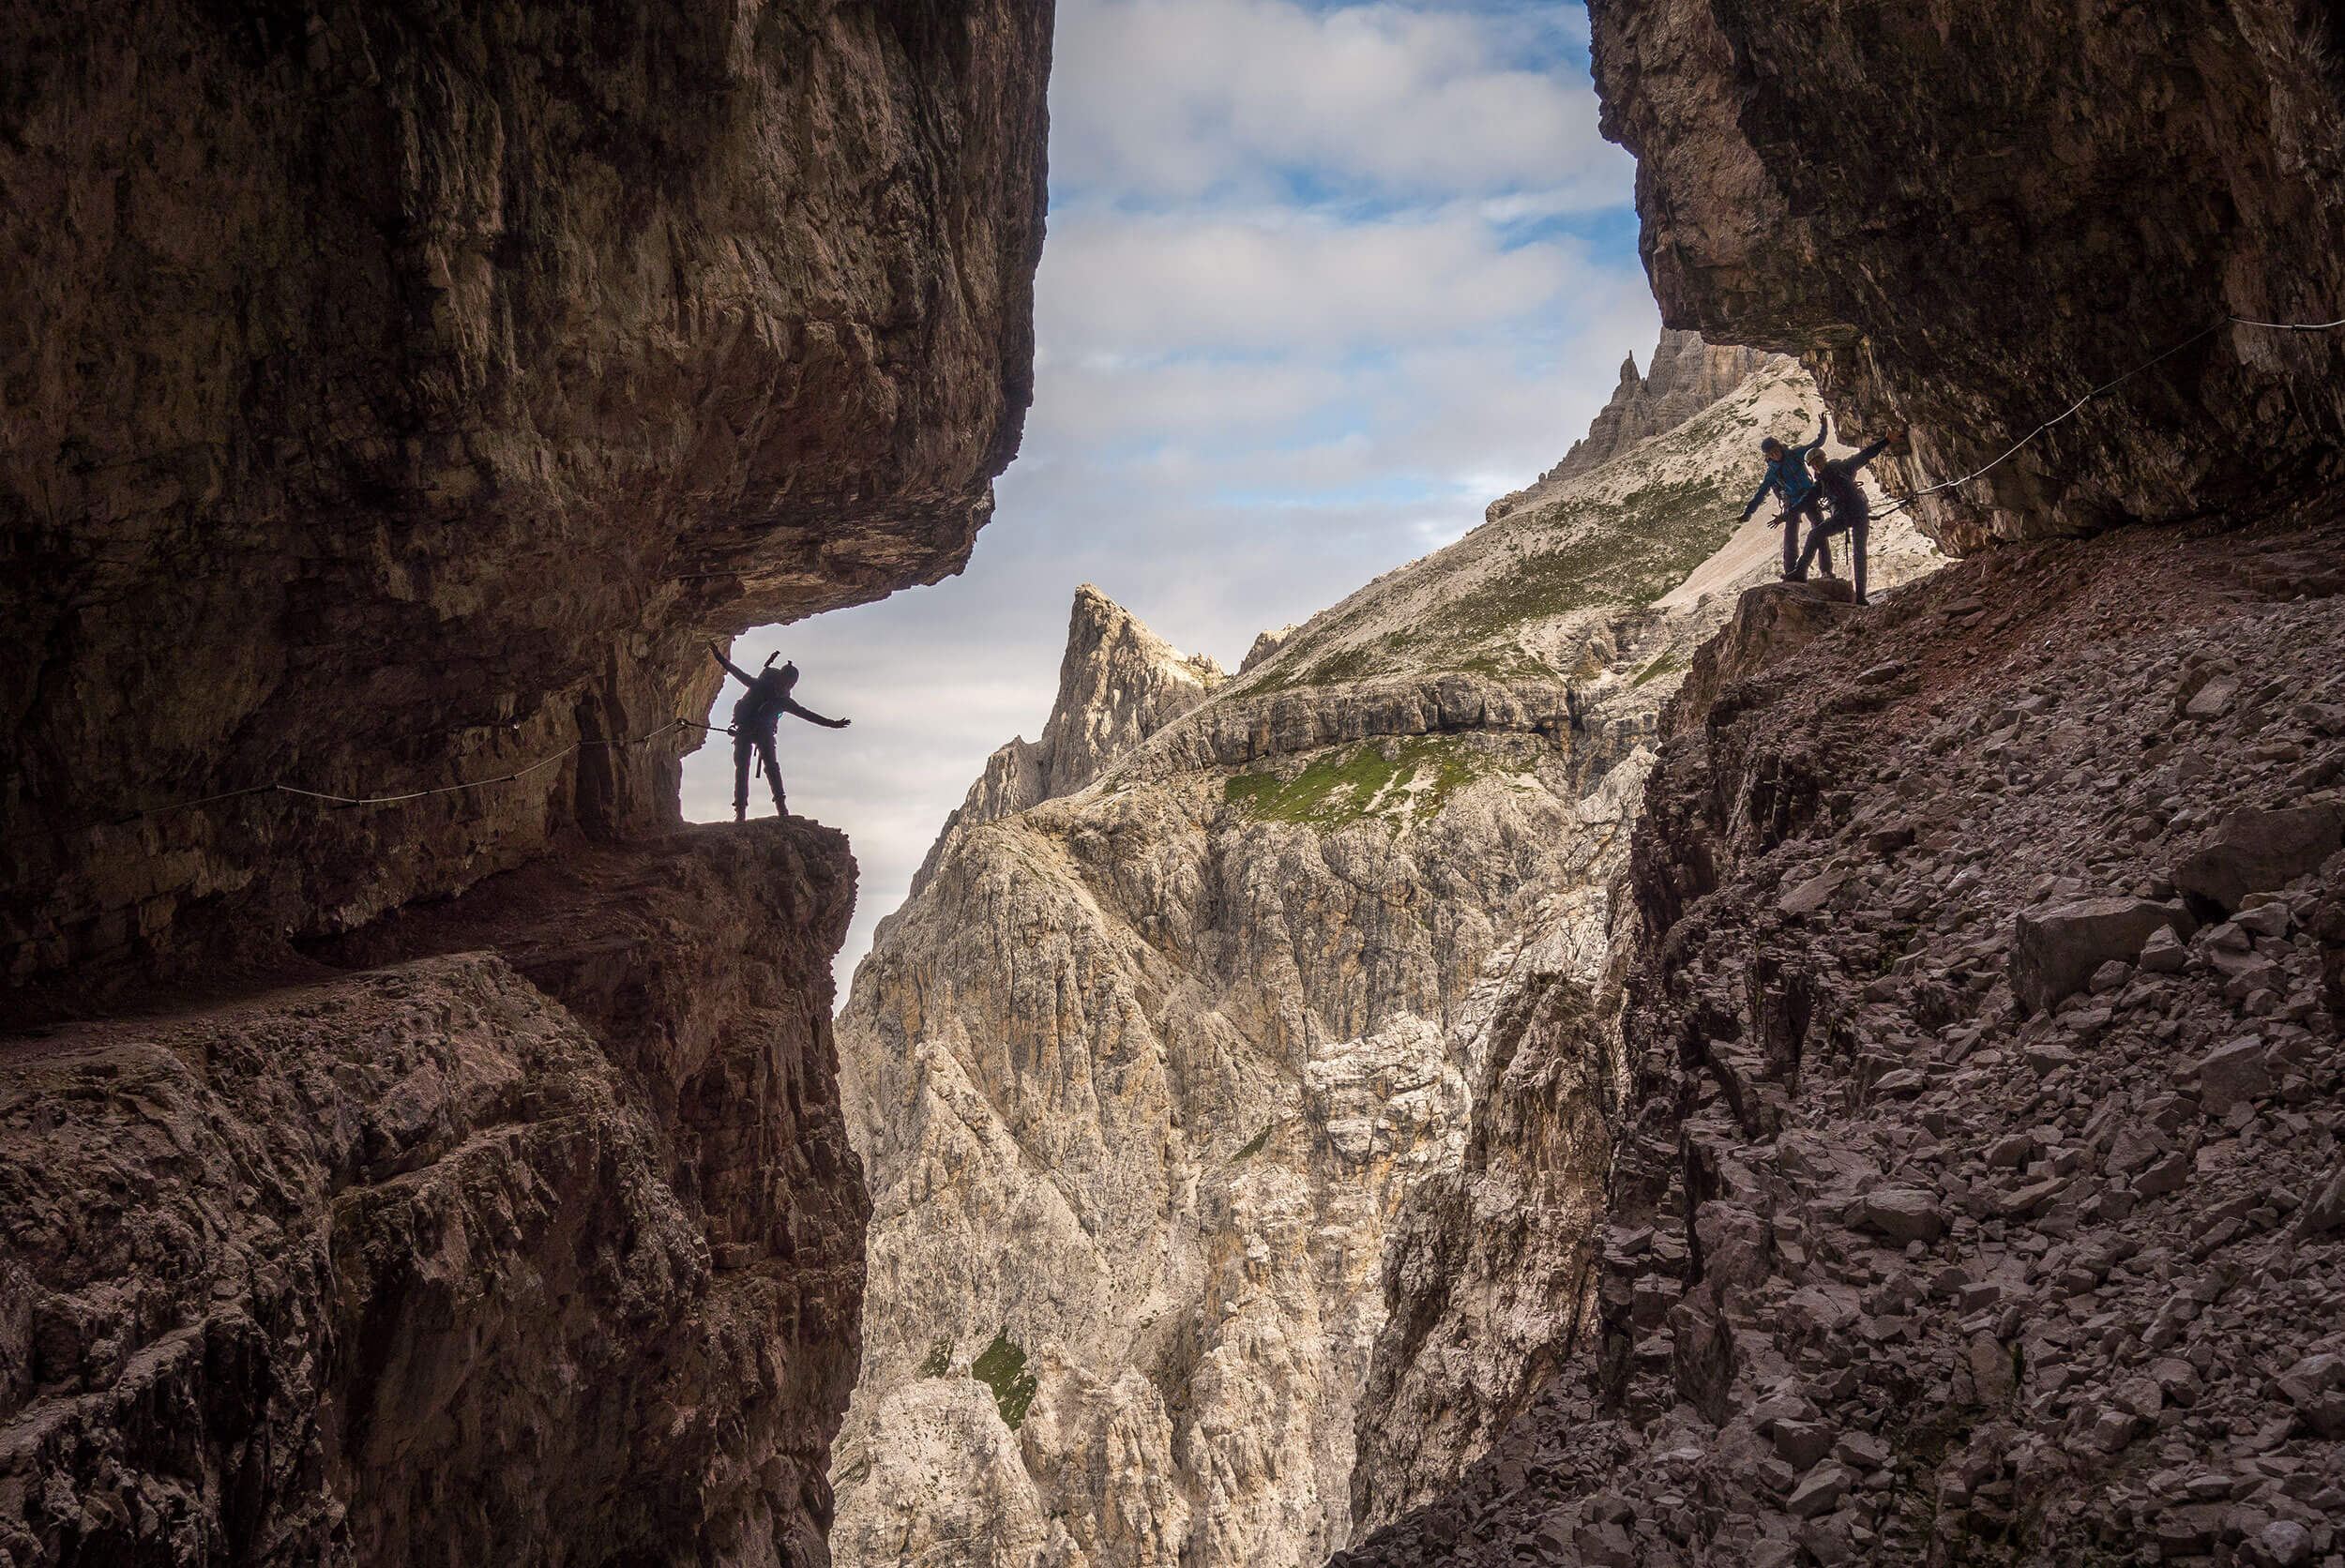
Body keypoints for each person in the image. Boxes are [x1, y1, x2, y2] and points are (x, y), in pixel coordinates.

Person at [710, 644, 851, 821]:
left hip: (763, 732)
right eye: (787, 681)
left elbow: (807, 715)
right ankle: (741, 812)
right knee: (744, 769)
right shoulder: (761, 686)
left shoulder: (785, 701)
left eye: (791, 684)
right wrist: (719, 657)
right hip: (745, 728)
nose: (787, 686)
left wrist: (833, 724)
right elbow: (738, 673)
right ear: (781, 677)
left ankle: (782, 809)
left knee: (771, 767)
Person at [1793, 429, 1906, 606]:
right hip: (1847, 516)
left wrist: (1886, 441)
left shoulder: (1842, 468)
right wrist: (1786, 515)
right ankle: (1800, 572)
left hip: (1857, 514)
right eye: (1813, 464)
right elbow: (1804, 501)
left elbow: (1865, 455)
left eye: (1817, 461)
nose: (1816, 466)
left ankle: (1860, 596)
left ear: (1824, 459)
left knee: (1858, 553)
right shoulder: (1821, 484)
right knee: (1817, 535)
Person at [1740, 415, 1832, 580]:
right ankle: (1791, 573)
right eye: (1771, 454)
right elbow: (1761, 493)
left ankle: (1826, 571)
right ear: (1768, 456)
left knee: (1820, 531)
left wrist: (1824, 427)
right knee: (1790, 539)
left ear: (1780, 447)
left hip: (1809, 496)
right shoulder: (1772, 472)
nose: (1775, 455)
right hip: (1793, 502)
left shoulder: (1795, 454)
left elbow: (1817, 443)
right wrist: (1748, 513)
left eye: (1776, 451)